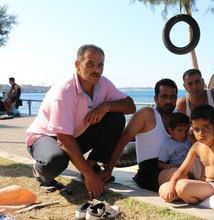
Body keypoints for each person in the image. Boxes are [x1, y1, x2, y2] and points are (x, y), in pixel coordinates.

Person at [25, 44, 136, 199]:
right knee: (55, 161)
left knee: (116, 118)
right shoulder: (64, 90)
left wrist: (106, 106)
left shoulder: (104, 84)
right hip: (45, 137)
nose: (96, 70)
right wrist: (89, 176)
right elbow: (63, 138)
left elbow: (130, 106)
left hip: (75, 134)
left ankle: (92, 164)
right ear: (78, 65)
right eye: (90, 64)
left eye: (100, 65)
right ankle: (40, 171)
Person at [159, 105, 214, 204]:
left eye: (206, 128)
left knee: (181, 186)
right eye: (196, 129)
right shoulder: (196, 146)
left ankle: (192, 197)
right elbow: (182, 170)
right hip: (204, 184)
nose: (201, 133)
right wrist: (172, 184)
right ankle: (192, 196)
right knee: (164, 189)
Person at [104, 78, 179, 192]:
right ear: (155, 98)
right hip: (149, 171)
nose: (168, 101)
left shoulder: (178, 117)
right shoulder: (146, 115)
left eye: (172, 97)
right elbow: (122, 141)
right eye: (164, 96)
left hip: (173, 165)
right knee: (178, 176)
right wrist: (108, 170)